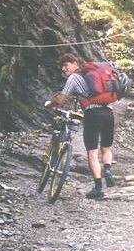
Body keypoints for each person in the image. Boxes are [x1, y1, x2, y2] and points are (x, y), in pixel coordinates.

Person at [45, 53, 116, 200]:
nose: (64, 69)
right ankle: (108, 170)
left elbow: (61, 98)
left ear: (75, 64)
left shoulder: (74, 77)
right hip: (108, 112)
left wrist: (50, 105)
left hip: (92, 113)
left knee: (92, 152)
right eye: (62, 67)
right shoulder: (92, 74)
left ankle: (98, 188)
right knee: (106, 148)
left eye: (66, 65)